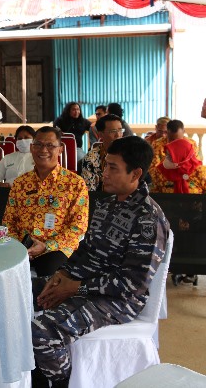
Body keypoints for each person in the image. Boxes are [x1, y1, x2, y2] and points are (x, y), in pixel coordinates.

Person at [31, 136, 169, 388]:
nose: (104, 173)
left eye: (112, 168)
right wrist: (62, 274)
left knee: (42, 331)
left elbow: (132, 283)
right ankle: (38, 370)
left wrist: (75, 288)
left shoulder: (148, 220)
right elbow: (86, 249)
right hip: (83, 284)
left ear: (135, 173)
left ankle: (61, 381)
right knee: (19, 292)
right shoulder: (106, 205)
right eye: (105, 165)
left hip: (117, 301)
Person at [3, 126, 89, 276]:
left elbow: (78, 227)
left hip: (56, 248)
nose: (43, 150)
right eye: (38, 144)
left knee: (51, 273)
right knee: (1, 271)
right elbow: (8, 221)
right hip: (22, 247)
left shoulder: (75, 183)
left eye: (50, 145)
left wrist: (47, 246)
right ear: (31, 147)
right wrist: (20, 247)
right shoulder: (20, 183)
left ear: (60, 149)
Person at [80, 114, 124, 191]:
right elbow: (90, 192)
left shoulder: (131, 153)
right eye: (113, 131)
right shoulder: (91, 159)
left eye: (120, 130)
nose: (118, 135)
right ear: (101, 134)